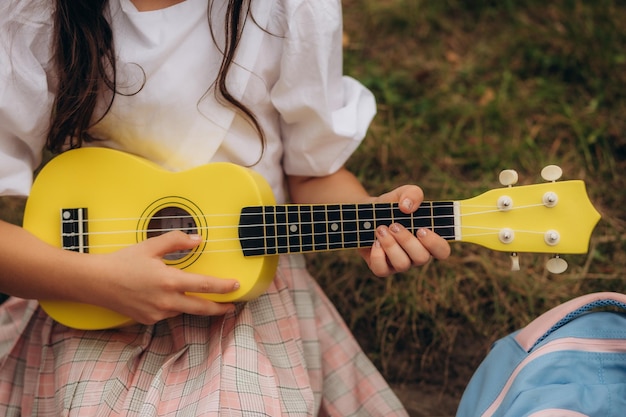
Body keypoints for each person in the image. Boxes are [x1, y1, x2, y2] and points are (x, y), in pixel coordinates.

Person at [0, 0, 451, 415]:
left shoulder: (289, 8)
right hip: (88, 296)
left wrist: (366, 220)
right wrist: (97, 281)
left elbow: (311, 173)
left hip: (244, 293)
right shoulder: (35, 12)